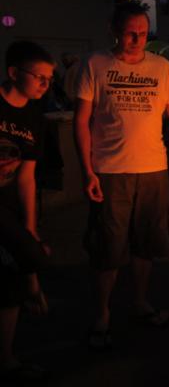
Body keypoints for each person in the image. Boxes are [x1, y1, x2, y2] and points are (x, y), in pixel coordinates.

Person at [74, 2, 169, 349]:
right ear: (114, 30)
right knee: (108, 247)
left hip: (154, 170)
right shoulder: (95, 64)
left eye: (142, 32)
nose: (137, 39)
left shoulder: (161, 67)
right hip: (111, 172)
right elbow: (81, 121)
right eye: (130, 33)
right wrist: (87, 171)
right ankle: (102, 313)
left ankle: (140, 302)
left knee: (146, 244)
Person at [0, 41, 53, 381]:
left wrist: (31, 226)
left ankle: (6, 357)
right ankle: (32, 281)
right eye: (39, 77)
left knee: (10, 281)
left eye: (50, 79)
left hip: (9, 203)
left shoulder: (35, 118)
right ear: (13, 73)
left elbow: (26, 177)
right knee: (30, 258)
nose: (45, 85)